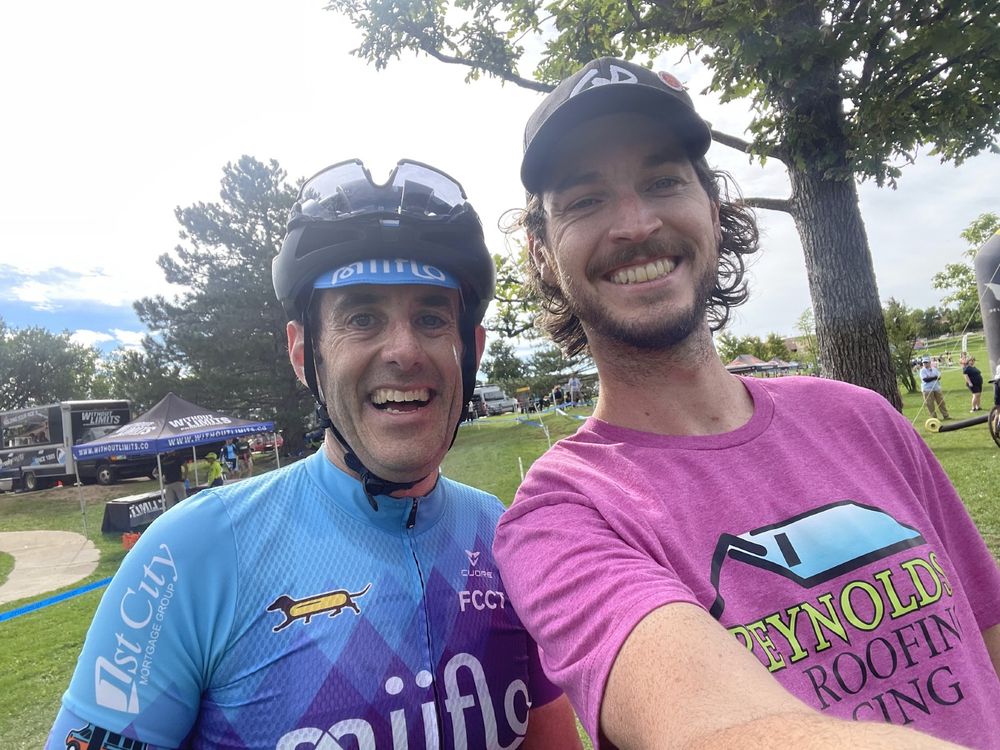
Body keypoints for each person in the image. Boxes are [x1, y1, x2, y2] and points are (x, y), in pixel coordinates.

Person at [493, 56, 1000, 749]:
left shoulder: (863, 419)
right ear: (543, 252)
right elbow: (726, 732)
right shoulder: (562, 518)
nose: (636, 223)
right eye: (585, 201)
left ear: (712, 206)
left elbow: (989, 635)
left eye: (663, 181)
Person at [47, 158, 579, 749]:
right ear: (305, 354)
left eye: (431, 318)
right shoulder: (190, 556)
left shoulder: (504, 538)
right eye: (361, 317)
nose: (404, 351)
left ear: (470, 350)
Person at [919, 355, 951, 420]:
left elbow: (939, 377)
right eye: (924, 363)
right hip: (927, 389)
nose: (925, 364)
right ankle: (933, 417)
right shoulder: (922, 371)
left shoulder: (934, 369)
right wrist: (934, 377)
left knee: (941, 402)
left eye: (926, 362)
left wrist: (935, 377)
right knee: (930, 404)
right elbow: (925, 379)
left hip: (936, 387)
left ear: (929, 362)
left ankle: (946, 415)